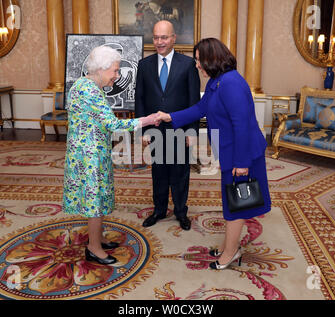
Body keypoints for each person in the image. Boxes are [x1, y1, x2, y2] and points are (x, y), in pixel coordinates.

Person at [155, 38, 271, 270]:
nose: (197, 65)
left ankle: (230, 253)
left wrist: (242, 163)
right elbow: (201, 108)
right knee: (233, 201)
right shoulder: (216, 82)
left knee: (236, 204)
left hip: (243, 153)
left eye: (199, 60)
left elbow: (241, 125)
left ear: (211, 59)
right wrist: (170, 116)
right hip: (231, 152)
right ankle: (230, 246)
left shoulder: (232, 84)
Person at [62, 45, 157, 265]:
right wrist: (148, 119)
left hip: (92, 151)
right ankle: (94, 248)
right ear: (101, 69)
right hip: (88, 156)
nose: (117, 75)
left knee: (99, 196)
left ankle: (98, 237)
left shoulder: (86, 85)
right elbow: (113, 124)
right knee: (95, 201)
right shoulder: (88, 90)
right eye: (114, 70)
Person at [135, 20, 201, 231]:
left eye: (164, 37)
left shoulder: (188, 64)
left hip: (180, 130)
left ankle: (181, 212)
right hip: (155, 130)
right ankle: (159, 210)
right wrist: (143, 130)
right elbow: (140, 99)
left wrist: (192, 131)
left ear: (174, 38)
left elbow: (194, 101)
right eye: (156, 37)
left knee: (180, 173)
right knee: (159, 172)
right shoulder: (144, 65)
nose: (159, 42)